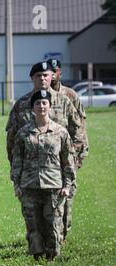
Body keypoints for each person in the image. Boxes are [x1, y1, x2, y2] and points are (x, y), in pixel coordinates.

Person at [6, 61, 83, 251]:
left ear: (53, 76)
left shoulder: (65, 101)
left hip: (59, 171)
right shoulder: (22, 104)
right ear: (32, 78)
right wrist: (18, 173)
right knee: (34, 217)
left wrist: (73, 165)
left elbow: (78, 133)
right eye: (38, 75)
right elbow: (12, 139)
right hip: (30, 175)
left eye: (46, 75)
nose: (42, 78)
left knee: (60, 212)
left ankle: (57, 243)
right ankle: (39, 249)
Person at [11, 90, 75, 261]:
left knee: (53, 226)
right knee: (33, 228)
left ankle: (51, 262)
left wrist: (67, 186)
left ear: (50, 106)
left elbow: (68, 161)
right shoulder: (24, 133)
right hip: (29, 187)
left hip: (54, 188)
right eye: (37, 103)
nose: (41, 106)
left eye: (44, 103)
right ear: (32, 108)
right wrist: (16, 185)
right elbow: (17, 161)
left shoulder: (60, 133)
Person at [48, 58, 89, 241]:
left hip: (68, 158)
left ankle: (63, 234)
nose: (52, 74)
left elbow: (80, 126)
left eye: (55, 71)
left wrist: (79, 156)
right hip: (48, 158)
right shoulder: (40, 98)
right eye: (50, 71)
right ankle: (51, 236)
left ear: (59, 73)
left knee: (67, 196)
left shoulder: (70, 95)